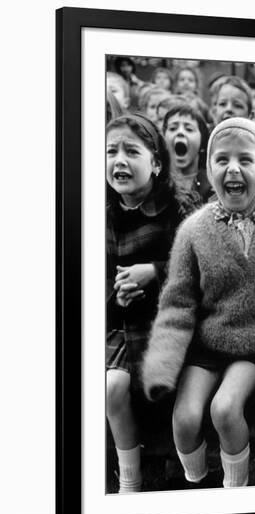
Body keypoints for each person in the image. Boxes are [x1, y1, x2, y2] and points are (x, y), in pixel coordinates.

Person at [141, 118, 255, 488]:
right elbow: (177, 301)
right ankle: (197, 481)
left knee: (225, 409)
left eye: (246, 159)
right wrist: (163, 363)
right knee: (185, 418)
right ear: (209, 167)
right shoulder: (194, 230)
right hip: (208, 345)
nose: (233, 168)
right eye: (222, 159)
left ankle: (234, 488)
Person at [105, 113, 187, 493]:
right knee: (112, 388)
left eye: (131, 151)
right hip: (121, 325)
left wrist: (154, 271)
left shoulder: (177, 208)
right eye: (111, 152)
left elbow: (198, 265)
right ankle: (130, 479)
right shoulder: (100, 216)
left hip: (169, 322)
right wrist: (115, 294)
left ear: (155, 163)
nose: (119, 160)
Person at [163, 103, 214, 212]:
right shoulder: (156, 184)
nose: (180, 132)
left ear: (202, 141)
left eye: (189, 129)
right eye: (173, 128)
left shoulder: (213, 184)